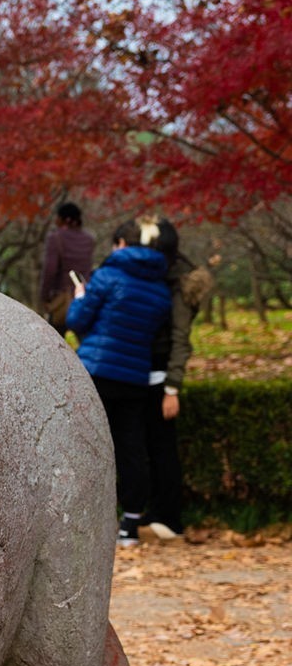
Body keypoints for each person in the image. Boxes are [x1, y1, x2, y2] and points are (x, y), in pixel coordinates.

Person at [66, 221, 172, 546]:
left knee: (85, 444)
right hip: (134, 376)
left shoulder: (106, 276)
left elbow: (77, 321)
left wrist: (80, 296)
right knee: (131, 447)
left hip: (96, 371)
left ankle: (84, 521)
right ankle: (130, 525)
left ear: (122, 244)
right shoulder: (161, 289)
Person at [140, 218, 214, 542]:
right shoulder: (158, 276)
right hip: (144, 369)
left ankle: (169, 518)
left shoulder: (180, 283)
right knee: (148, 445)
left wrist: (172, 387)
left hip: (160, 373)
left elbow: (181, 340)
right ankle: (154, 513)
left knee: (162, 447)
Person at [38, 201, 95, 331]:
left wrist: (45, 297)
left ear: (65, 219)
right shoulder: (89, 239)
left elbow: (50, 270)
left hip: (62, 300)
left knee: (57, 341)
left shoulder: (56, 238)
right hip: (85, 296)